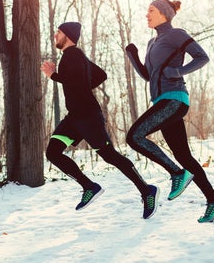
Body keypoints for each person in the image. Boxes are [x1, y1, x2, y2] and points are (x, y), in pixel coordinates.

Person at [41, 21, 159, 219]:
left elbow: (75, 81)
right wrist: (80, 85)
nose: (55, 35)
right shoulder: (74, 57)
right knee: (53, 152)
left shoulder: (73, 56)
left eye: (58, 32)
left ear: (67, 35)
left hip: (87, 117)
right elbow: (100, 75)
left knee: (109, 155)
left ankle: (147, 190)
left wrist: (53, 75)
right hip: (75, 117)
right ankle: (89, 186)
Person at [125, 0, 214, 223]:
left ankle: (176, 173)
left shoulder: (176, 34)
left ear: (163, 13)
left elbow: (202, 57)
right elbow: (147, 75)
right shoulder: (153, 43)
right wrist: (132, 55)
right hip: (161, 101)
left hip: (174, 99)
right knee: (183, 155)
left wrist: (180, 71)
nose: (147, 14)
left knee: (134, 136)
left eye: (150, 10)